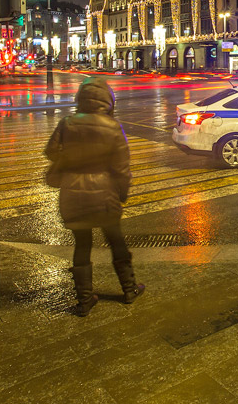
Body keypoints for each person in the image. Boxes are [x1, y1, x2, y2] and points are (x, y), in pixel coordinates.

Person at [44, 77, 144, 317]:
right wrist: (122, 194)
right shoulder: (112, 126)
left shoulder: (67, 123)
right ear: (107, 100)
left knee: (82, 244)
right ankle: (129, 289)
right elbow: (122, 169)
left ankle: (85, 300)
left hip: (72, 193)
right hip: (105, 194)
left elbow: (50, 151)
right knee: (116, 242)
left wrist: (71, 160)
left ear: (81, 99)